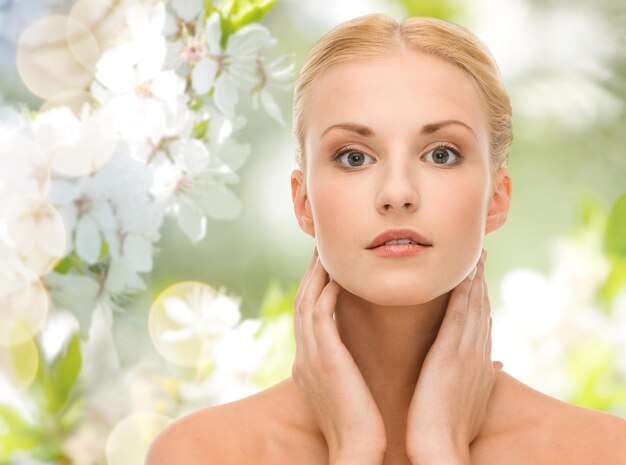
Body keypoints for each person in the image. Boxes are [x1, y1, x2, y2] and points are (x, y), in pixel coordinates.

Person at [145, 13, 626, 465]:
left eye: (441, 154)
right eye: (354, 157)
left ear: (497, 197)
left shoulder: (601, 451)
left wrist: (441, 448)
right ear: (303, 201)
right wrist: (356, 448)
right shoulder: (201, 453)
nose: (397, 194)